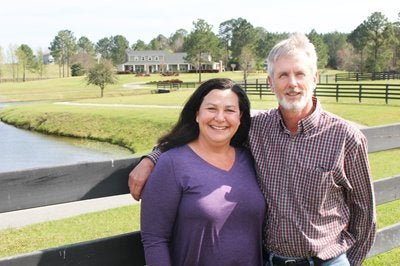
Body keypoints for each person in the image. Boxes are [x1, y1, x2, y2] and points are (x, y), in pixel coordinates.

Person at [130, 33, 376, 266]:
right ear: (270, 82)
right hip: (271, 260)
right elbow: (207, 132)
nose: (292, 83)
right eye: (282, 75)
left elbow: (365, 214)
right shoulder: (257, 128)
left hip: (327, 260)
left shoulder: (346, 137)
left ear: (315, 78)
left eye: (300, 74)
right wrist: (153, 158)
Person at [140, 78, 266, 266]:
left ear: (240, 118)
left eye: (230, 110)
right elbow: (155, 239)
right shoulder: (172, 163)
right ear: (197, 113)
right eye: (212, 109)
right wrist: (150, 158)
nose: (220, 118)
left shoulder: (250, 158)